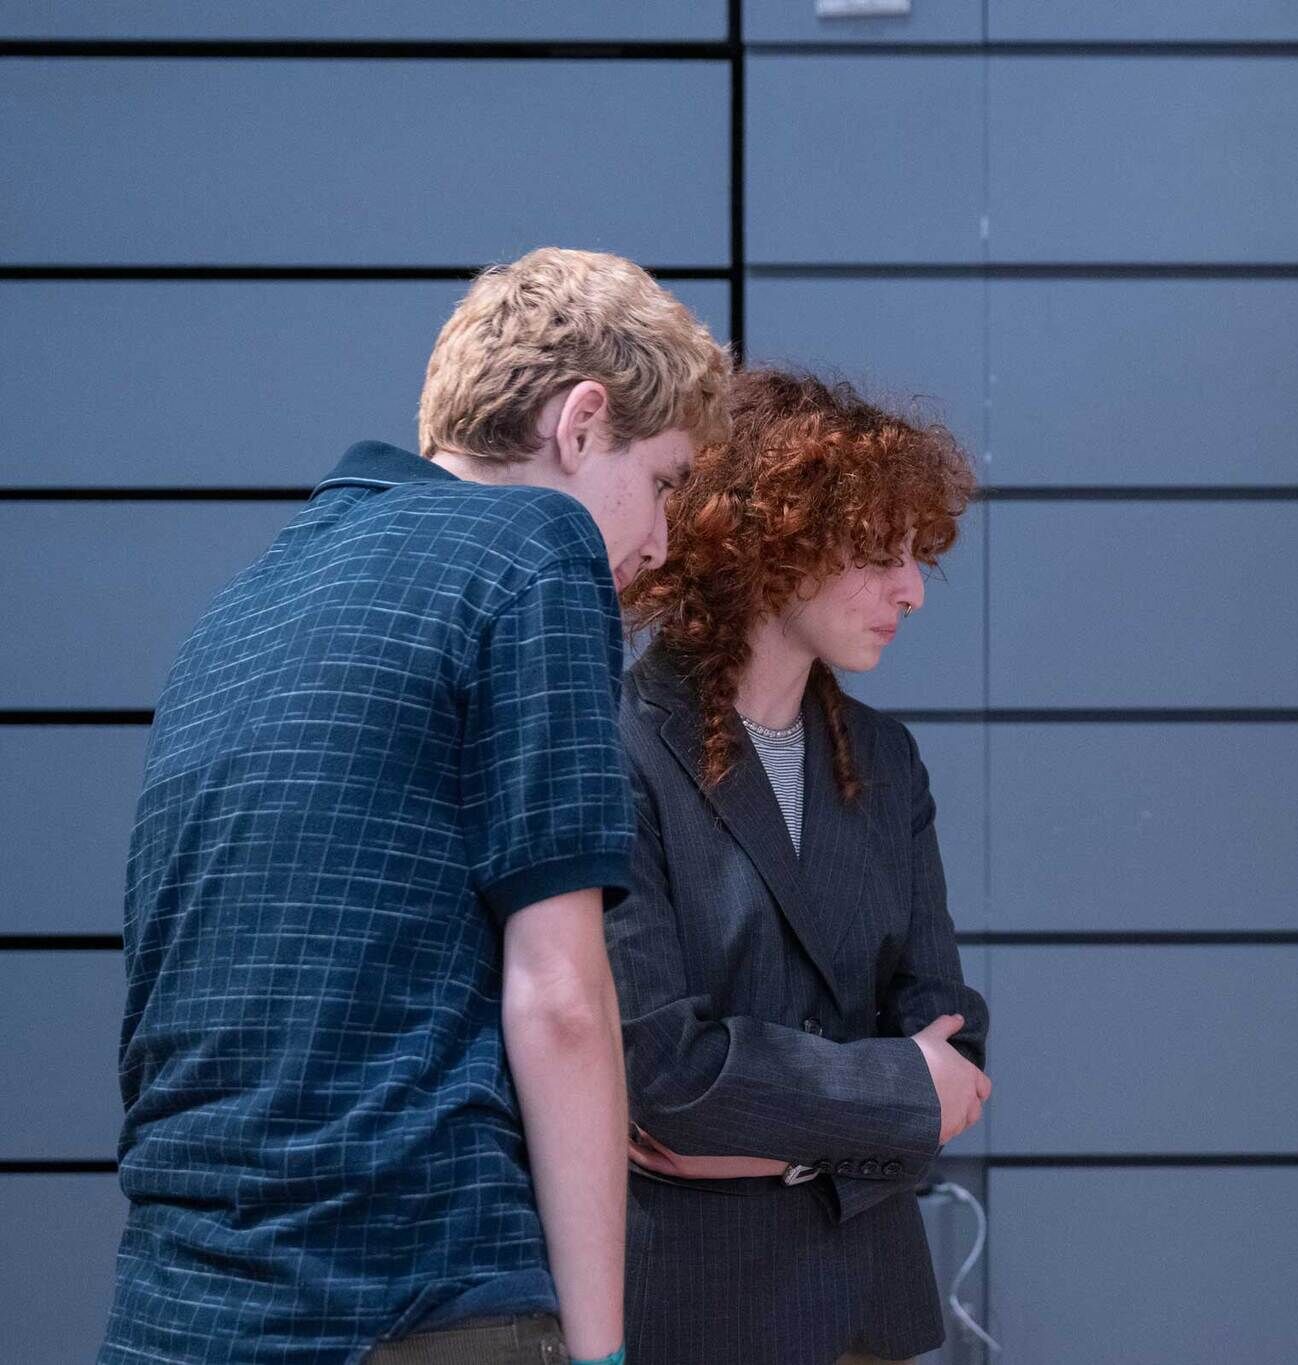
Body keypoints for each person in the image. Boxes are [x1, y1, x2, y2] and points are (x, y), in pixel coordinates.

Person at [104, 248, 731, 1365]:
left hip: (178, 1303)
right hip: (411, 1295)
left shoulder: (243, 605)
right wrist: (600, 1355)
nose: (659, 543)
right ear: (582, 423)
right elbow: (560, 998)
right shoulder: (535, 550)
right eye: (668, 481)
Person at [608, 370, 991, 1365]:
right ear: (766, 546)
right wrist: (894, 1094)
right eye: (877, 553)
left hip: (868, 1299)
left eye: (916, 557)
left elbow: (953, 1036)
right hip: (692, 1307)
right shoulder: (615, 749)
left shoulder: (886, 759)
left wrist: (751, 1130)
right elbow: (664, 1076)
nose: (910, 589)